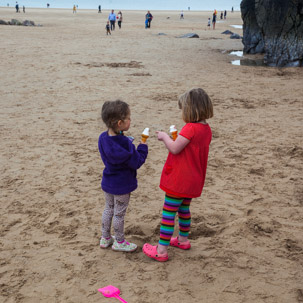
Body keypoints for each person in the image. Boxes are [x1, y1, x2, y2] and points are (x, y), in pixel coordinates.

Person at [142, 88, 213, 262]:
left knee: (168, 213)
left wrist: (165, 137)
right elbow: (188, 147)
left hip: (180, 180)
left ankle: (161, 250)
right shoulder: (206, 129)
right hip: (194, 179)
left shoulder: (190, 128)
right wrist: (176, 137)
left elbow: (174, 148)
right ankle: (182, 240)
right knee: (184, 210)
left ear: (190, 109)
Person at [98, 100, 148, 252]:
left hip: (108, 181)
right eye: (129, 118)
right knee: (119, 214)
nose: (130, 121)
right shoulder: (126, 145)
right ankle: (119, 241)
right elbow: (136, 161)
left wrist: (126, 140)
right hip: (122, 185)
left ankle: (105, 237)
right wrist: (142, 146)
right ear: (120, 123)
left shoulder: (103, 137)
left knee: (108, 209)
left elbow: (115, 145)